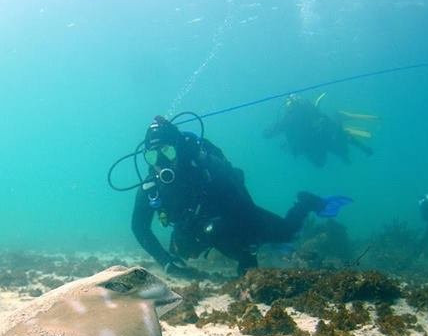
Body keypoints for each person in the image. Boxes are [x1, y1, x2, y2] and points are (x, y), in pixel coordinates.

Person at [131, 115, 351, 278]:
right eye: (153, 155)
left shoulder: (205, 168)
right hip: (194, 228)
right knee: (185, 250)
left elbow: (240, 197)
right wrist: (166, 262)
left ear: (179, 149)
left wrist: (247, 253)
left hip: (237, 216)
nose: (161, 160)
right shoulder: (153, 186)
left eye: (168, 152)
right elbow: (139, 227)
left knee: (288, 234)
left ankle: (306, 203)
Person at [264, 93, 375, 167]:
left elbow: (268, 134)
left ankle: (339, 117)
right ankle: (339, 119)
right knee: (337, 147)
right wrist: (363, 148)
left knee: (322, 161)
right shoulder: (309, 111)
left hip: (318, 139)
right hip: (321, 137)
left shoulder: (289, 119)